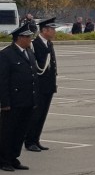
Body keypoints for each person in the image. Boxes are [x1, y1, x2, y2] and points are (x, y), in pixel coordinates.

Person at [0, 24, 38, 171]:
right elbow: (2, 80)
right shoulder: (6, 54)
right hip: (13, 102)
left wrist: (35, 100)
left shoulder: (29, 52)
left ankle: (13, 157)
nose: (30, 39)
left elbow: (33, 77)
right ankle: (3, 160)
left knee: (21, 132)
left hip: (27, 100)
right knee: (8, 132)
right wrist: (4, 102)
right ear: (19, 38)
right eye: (28, 37)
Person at [25, 17, 59, 152]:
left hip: (48, 86)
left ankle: (36, 139)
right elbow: (35, 66)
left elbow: (52, 66)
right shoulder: (35, 44)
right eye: (52, 29)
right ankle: (29, 141)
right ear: (45, 30)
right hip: (38, 86)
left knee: (43, 114)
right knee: (35, 115)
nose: (54, 31)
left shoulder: (49, 44)